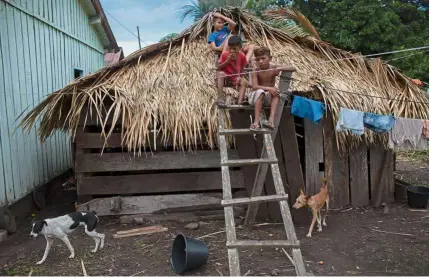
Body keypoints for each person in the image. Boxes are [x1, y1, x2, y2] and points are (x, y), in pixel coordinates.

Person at [247, 46, 296, 131]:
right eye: (258, 59)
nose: (260, 61)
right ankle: (256, 122)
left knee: (276, 93)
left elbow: (293, 68)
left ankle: (271, 120)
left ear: (270, 58)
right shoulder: (255, 70)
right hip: (255, 97)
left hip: (267, 98)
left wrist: (280, 68)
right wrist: (270, 88)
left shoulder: (273, 68)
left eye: (263, 58)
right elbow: (254, 87)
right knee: (260, 92)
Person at [216, 36, 248, 107]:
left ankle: (240, 101)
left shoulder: (242, 56)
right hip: (226, 77)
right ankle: (220, 98)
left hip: (236, 78)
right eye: (230, 48)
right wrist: (227, 60)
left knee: (244, 81)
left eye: (234, 49)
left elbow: (242, 69)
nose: (232, 51)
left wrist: (240, 77)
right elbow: (218, 67)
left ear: (240, 48)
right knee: (221, 73)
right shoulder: (225, 54)